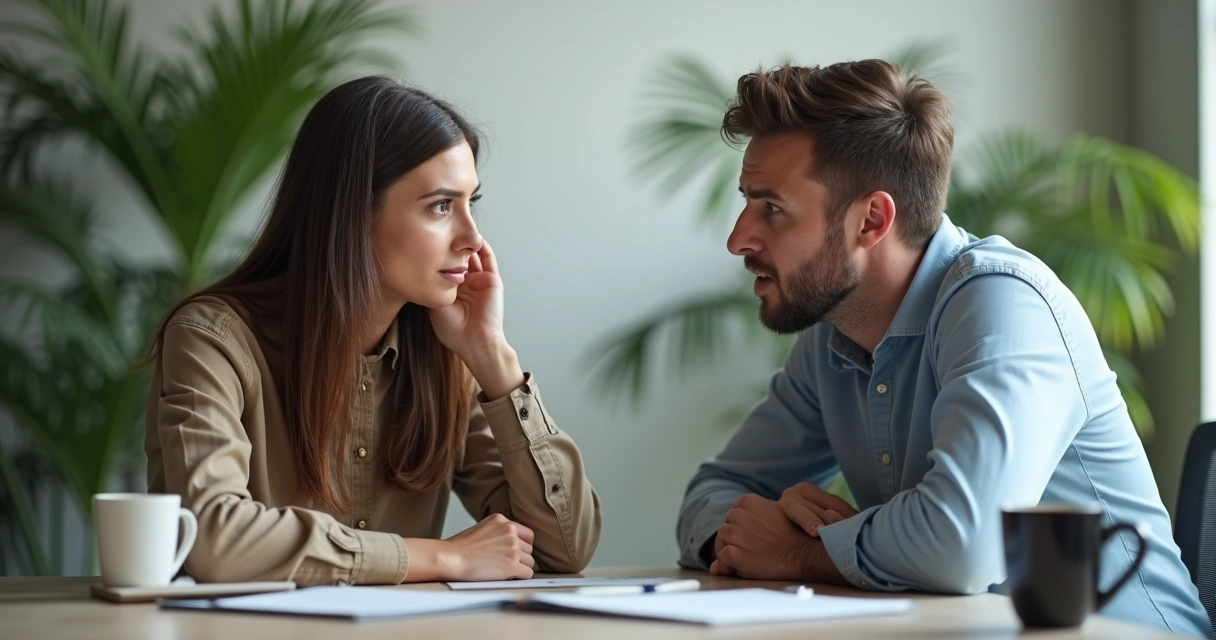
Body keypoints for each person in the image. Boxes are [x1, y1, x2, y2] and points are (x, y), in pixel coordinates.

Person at [675, 60, 1209, 637]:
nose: (738, 239)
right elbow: (710, 496)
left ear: (872, 220)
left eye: (771, 208)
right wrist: (750, 534)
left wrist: (797, 552)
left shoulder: (1004, 304)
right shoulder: (830, 339)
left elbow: (965, 543)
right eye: (747, 203)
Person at [145, 76, 601, 585]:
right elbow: (214, 539)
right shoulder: (213, 341)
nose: (473, 238)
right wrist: (441, 558)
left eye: (472, 203)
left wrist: (495, 360)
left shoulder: (449, 357)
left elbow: (566, 549)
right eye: (441, 206)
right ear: (353, 212)